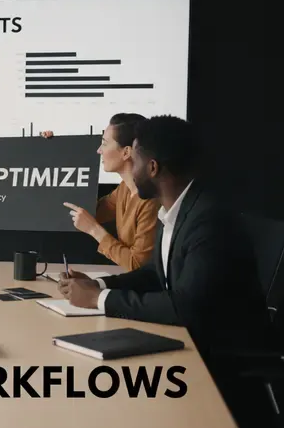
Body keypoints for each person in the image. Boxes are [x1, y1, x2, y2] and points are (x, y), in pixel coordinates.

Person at [57, 115, 275, 427]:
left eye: (136, 157)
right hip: (193, 342)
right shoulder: (176, 209)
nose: (131, 167)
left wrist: (99, 300)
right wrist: (99, 283)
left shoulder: (209, 221)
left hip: (220, 360)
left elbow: (186, 307)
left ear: (153, 168)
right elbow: (156, 275)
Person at [41, 114, 160, 271]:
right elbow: (86, 212)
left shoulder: (150, 200)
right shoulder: (124, 190)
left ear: (126, 152)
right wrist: (54, 152)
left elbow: (137, 264)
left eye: (104, 144)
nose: (99, 151)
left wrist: (94, 230)